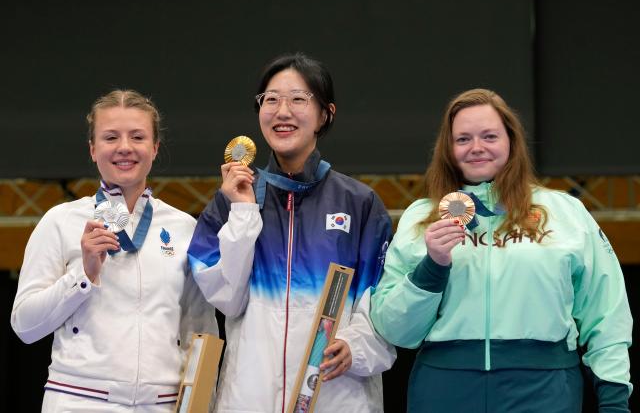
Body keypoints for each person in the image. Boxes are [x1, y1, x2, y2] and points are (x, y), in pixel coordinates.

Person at [370, 88, 632, 413]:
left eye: (489, 136)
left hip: (544, 389)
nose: (477, 147)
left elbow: (607, 312)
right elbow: (394, 329)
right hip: (445, 389)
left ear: (511, 140)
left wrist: (615, 398)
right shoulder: (422, 217)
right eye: (463, 139)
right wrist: (432, 267)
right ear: (448, 149)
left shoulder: (566, 213)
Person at [187, 52, 396, 412]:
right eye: (271, 99)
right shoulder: (232, 198)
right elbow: (227, 299)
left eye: (298, 99)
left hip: (336, 395)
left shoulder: (359, 203)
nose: (282, 111)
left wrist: (356, 347)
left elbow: (382, 301)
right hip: (250, 397)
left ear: (325, 114)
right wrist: (242, 211)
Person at [11, 89, 217, 412]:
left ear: (154, 147)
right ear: (93, 149)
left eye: (137, 136)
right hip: (79, 401)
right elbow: (24, 325)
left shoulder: (183, 228)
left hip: (161, 404)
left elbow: (201, 330)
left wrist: (204, 405)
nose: (124, 147)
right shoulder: (61, 221)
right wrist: (84, 275)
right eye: (110, 137)